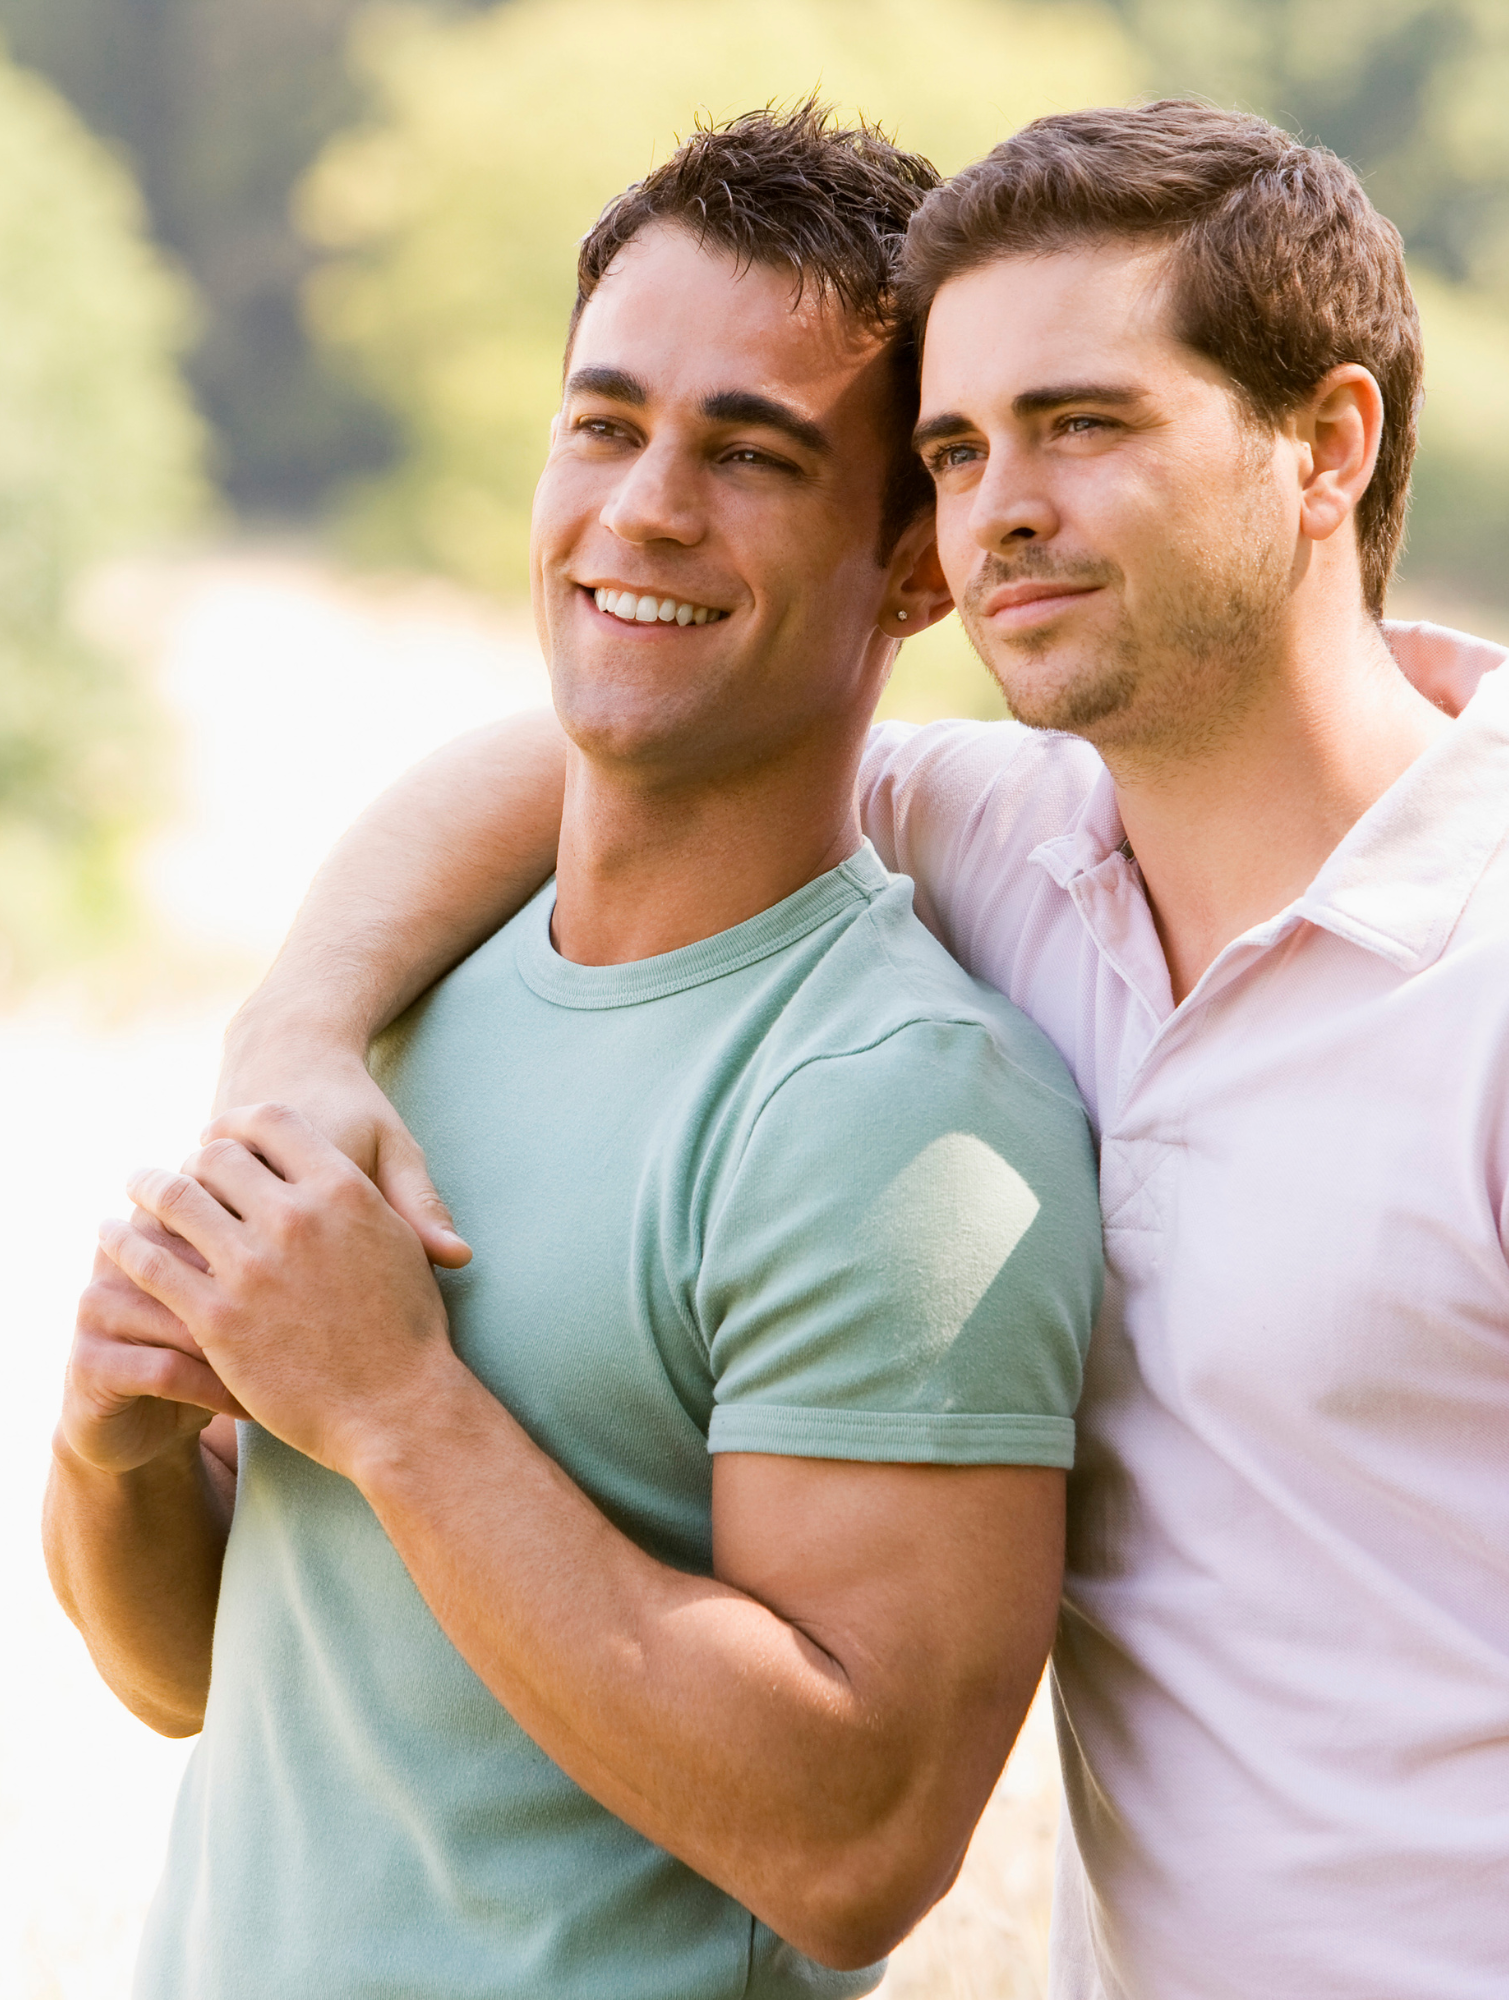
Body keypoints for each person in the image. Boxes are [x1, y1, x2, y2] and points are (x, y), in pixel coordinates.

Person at [114, 101, 1509, 2000]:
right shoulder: (1020, 848)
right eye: (954, 446)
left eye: (1083, 424)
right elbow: (610, 727)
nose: (998, 506)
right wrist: (296, 1035)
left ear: (1328, 446)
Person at [43, 104, 1105, 2000]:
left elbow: (858, 1846)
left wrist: (394, 1405)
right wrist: (117, 1452)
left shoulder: (924, 1126)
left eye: (752, 454)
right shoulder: (397, 997)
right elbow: (207, 1673)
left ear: (918, 567)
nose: (644, 510)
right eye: (605, 423)